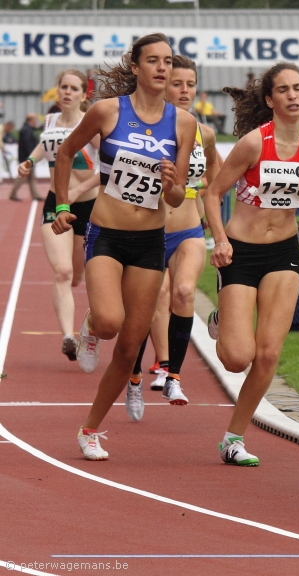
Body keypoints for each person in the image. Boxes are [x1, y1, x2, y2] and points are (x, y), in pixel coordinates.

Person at [51, 32, 196, 460]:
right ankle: (93, 323)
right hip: (107, 234)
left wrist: (173, 186)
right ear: (135, 67)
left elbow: (176, 196)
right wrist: (61, 204)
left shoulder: (183, 124)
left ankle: (90, 428)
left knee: (132, 346)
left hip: (151, 239)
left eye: (167, 61)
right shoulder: (107, 111)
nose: (162, 68)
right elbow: (65, 154)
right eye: (152, 60)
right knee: (112, 323)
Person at [204, 62, 299, 468]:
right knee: (236, 358)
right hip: (241, 252)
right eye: (284, 90)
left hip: (284, 253)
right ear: (270, 99)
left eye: (298, 88)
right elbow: (213, 194)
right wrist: (221, 240)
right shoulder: (252, 144)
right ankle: (220, 319)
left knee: (267, 355)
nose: (294, 95)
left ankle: (233, 438)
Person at [125, 54, 220, 421]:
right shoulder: (145, 125)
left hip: (188, 231)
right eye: (176, 83)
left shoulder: (204, 133)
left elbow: (216, 176)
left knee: (182, 293)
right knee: (143, 309)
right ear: (162, 84)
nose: (184, 91)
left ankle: (173, 376)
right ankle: (133, 378)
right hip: (147, 234)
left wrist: (203, 197)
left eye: (190, 84)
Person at [16, 70, 99, 363]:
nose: (67, 92)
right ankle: (67, 336)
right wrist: (29, 161)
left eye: (73, 88)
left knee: (78, 276)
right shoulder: (50, 121)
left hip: (87, 207)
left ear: (83, 95)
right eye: (63, 87)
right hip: (55, 203)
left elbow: (109, 168)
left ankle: (88, 326)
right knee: (62, 272)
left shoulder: (90, 126)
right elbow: (45, 146)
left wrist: (79, 192)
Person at [9, 113, 43, 201]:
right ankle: (13, 193)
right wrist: (32, 157)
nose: (36, 121)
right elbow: (28, 145)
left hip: (26, 156)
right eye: (35, 119)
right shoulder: (26, 130)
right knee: (22, 176)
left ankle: (35, 195)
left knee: (31, 177)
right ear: (31, 120)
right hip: (27, 157)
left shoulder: (27, 129)